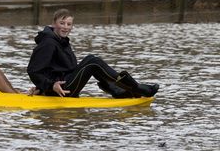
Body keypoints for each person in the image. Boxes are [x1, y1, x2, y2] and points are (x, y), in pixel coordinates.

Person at [27, 8, 159, 98]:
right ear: (54, 24)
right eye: (62, 23)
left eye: (69, 24)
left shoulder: (61, 41)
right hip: (62, 90)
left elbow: (53, 69)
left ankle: (118, 91)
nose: (65, 27)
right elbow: (33, 70)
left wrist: (41, 88)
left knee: (92, 61)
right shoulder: (48, 43)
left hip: (63, 85)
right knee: (92, 61)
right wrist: (50, 86)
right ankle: (135, 87)